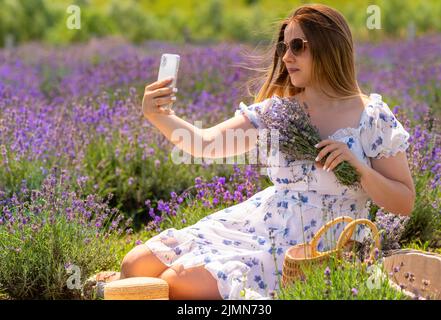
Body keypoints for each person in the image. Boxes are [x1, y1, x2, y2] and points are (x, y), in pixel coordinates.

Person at [115, 4, 416, 300]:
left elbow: (403, 201)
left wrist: (358, 168)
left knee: (177, 283)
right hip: (261, 222)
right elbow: (205, 144)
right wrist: (159, 116)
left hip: (318, 241)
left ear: (329, 47)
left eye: (298, 46)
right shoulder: (278, 112)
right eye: (284, 47)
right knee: (134, 264)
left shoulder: (371, 116)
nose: (287, 57)